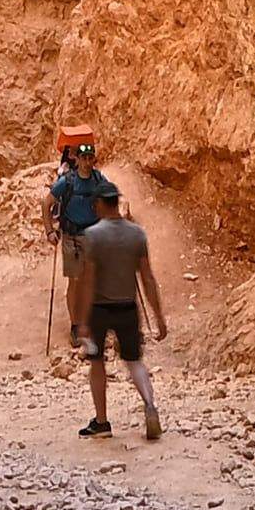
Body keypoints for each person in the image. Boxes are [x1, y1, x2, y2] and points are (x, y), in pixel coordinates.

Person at [54, 185, 166, 441]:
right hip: (128, 306)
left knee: (97, 363)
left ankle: (102, 422)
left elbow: (87, 280)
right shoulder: (137, 234)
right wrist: (159, 317)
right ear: (117, 203)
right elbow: (147, 278)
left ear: (100, 205)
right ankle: (149, 405)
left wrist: (80, 320)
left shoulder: (93, 236)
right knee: (134, 361)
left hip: (100, 309)